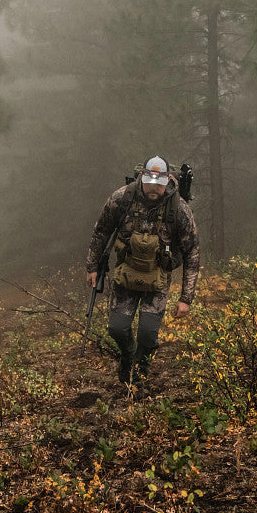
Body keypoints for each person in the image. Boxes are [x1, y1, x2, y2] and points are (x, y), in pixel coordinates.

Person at [86, 156, 201, 391]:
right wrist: (92, 266)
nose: (154, 188)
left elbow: (192, 253)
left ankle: (138, 377)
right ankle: (129, 354)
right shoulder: (121, 199)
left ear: (168, 180)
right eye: (149, 181)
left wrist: (186, 298)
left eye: (159, 183)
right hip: (125, 275)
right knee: (117, 329)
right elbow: (101, 232)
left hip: (158, 279)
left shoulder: (179, 209)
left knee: (148, 336)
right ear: (141, 177)